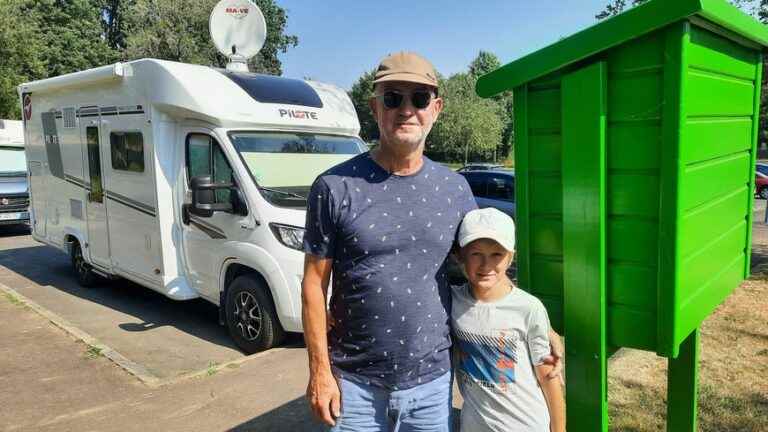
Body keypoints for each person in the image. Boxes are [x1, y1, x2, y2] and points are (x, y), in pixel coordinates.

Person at [301, 51, 563, 432]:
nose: (406, 109)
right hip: (354, 384)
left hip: (431, 386)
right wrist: (320, 372)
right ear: (375, 107)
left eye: (419, 98)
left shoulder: (455, 190)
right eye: (393, 98)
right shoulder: (334, 187)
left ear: (436, 108)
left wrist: (541, 326)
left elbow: (483, 265)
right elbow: (313, 284)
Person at [452, 207, 565, 432]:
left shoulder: (528, 308)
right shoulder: (452, 300)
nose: (486, 265)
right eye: (476, 254)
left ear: (511, 256)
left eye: (497, 254)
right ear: (460, 256)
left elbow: (549, 379)